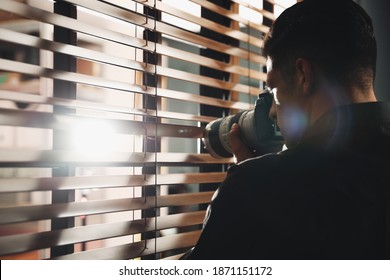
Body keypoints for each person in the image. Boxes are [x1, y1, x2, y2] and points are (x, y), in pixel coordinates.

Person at [181, 0, 390, 259]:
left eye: (273, 88)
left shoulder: (254, 187)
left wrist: (252, 185)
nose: (272, 110)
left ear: (303, 74)